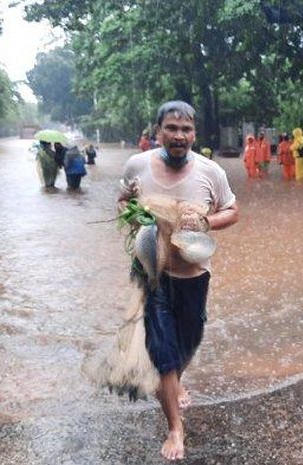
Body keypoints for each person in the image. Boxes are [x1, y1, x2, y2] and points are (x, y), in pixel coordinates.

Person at [118, 101, 239, 461]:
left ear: (194, 134)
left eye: (186, 130)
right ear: (157, 131)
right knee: (163, 352)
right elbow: (123, 201)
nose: (179, 136)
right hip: (151, 272)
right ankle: (175, 428)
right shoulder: (137, 165)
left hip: (193, 275)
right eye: (171, 128)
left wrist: (205, 223)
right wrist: (135, 214)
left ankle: (175, 382)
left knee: (188, 342)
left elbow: (232, 211)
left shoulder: (211, 172)